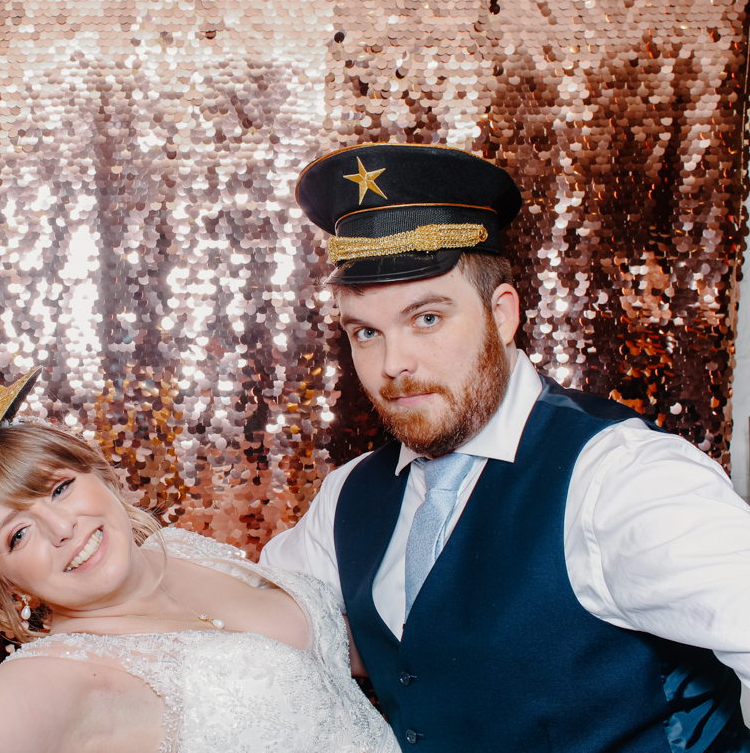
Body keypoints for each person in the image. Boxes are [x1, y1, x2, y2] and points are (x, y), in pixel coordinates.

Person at [261, 142, 750, 752]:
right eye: (366, 332)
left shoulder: (620, 477)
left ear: (502, 314)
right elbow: (264, 629)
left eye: (428, 318)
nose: (394, 364)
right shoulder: (348, 496)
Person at [0, 344, 399, 753]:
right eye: (17, 535)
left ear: (101, 475)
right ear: (2, 579)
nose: (62, 527)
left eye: (59, 488)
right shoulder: (75, 676)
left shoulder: (176, 549)